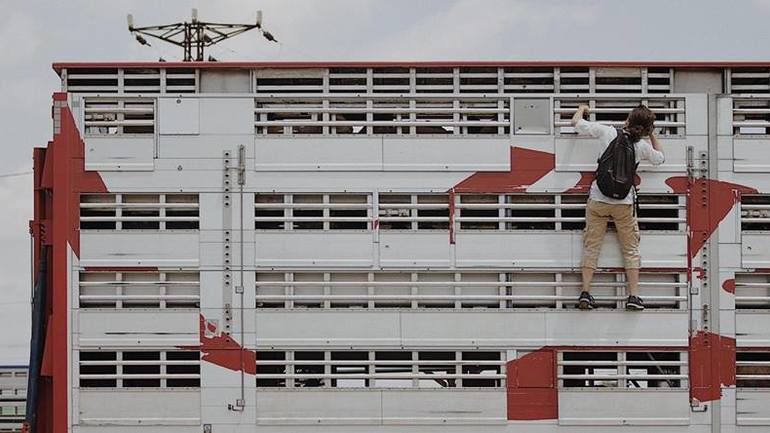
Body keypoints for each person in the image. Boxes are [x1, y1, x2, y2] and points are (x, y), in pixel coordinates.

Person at [571, 104, 665, 311]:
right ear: (646, 129)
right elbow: (660, 158)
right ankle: (633, 296)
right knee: (630, 249)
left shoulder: (608, 132)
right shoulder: (641, 146)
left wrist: (582, 108)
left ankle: (585, 292)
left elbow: (576, 123)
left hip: (598, 199)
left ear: (627, 120)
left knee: (591, 246)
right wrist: (652, 134)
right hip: (624, 203)